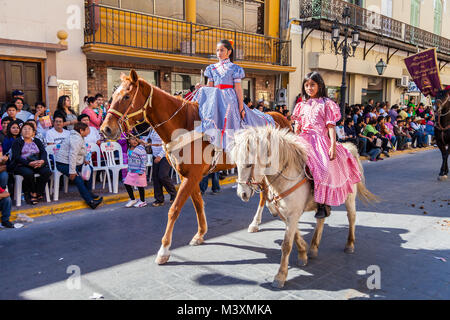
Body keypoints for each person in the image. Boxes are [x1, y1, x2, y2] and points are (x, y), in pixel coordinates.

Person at [292, 72, 361, 219]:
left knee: (322, 170)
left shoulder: (327, 104)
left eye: (312, 85)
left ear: (320, 86)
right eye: (306, 85)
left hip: (319, 141)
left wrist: (333, 146)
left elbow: (330, 127)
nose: (309, 88)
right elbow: (297, 124)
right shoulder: (301, 105)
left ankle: (322, 204)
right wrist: (296, 129)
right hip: (301, 139)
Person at [192, 39, 274, 152]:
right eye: (217, 50)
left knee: (230, 117)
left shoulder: (235, 68)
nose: (219, 53)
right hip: (215, 98)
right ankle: (213, 143)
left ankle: (231, 146)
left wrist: (241, 107)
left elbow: (238, 89)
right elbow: (210, 87)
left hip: (229, 98)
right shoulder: (212, 68)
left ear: (229, 52)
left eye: (222, 50)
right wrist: (201, 87)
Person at [55, 122, 103, 209]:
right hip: (64, 164)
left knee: (89, 169)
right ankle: (90, 202)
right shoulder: (76, 139)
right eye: (87, 129)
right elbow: (72, 155)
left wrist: (84, 160)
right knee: (78, 180)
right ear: (81, 131)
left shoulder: (79, 137)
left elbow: (79, 152)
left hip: (74, 162)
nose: (89, 131)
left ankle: (89, 193)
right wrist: (72, 171)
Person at [8, 123, 52, 205]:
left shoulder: (37, 141)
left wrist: (42, 160)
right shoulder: (17, 142)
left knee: (47, 172)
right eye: (24, 129)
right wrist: (29, 163)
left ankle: (38, 192)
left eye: (29, 129)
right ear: (21, 131)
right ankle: (31, 193)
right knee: (28, 173)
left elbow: (43, 152)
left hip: (37, 163)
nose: (27, 131)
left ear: (33, 132)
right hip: (21, 164)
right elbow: (16, 157)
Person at [146, 129, 177, 207]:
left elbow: (168, 144)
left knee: (163, 176)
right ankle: (159, 199)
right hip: (155, 156)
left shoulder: (163, 128)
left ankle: (174, 194)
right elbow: (148, 139)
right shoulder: (152, 129)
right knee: (156, 178)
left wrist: (160, 156)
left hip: (165, 156)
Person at [123, 136, 148, 208]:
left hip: (139, 170)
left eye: (136, 140)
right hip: (131, 170)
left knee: (140, 186)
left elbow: (144, 160)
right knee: (127, 184)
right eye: (132, 139)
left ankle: (143, 201)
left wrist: (142, 170)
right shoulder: (129, 149)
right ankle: (133, 199)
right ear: (129, 141)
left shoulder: (140, 149)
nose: (135, 141)